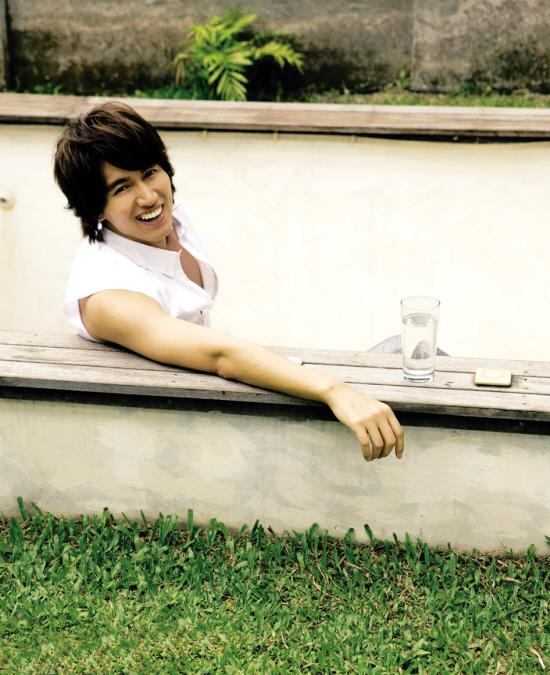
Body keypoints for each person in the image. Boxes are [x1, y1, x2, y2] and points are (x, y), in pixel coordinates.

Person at [54, 102, 404, 463]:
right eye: (122, 188)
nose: (148, 196)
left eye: (150, 172)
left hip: (222, 407)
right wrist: (335, 390)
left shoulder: (168, 221)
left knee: (402, 352)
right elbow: (220, 355)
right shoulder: (108, 294)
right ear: (95, 207)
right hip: (188, 444)